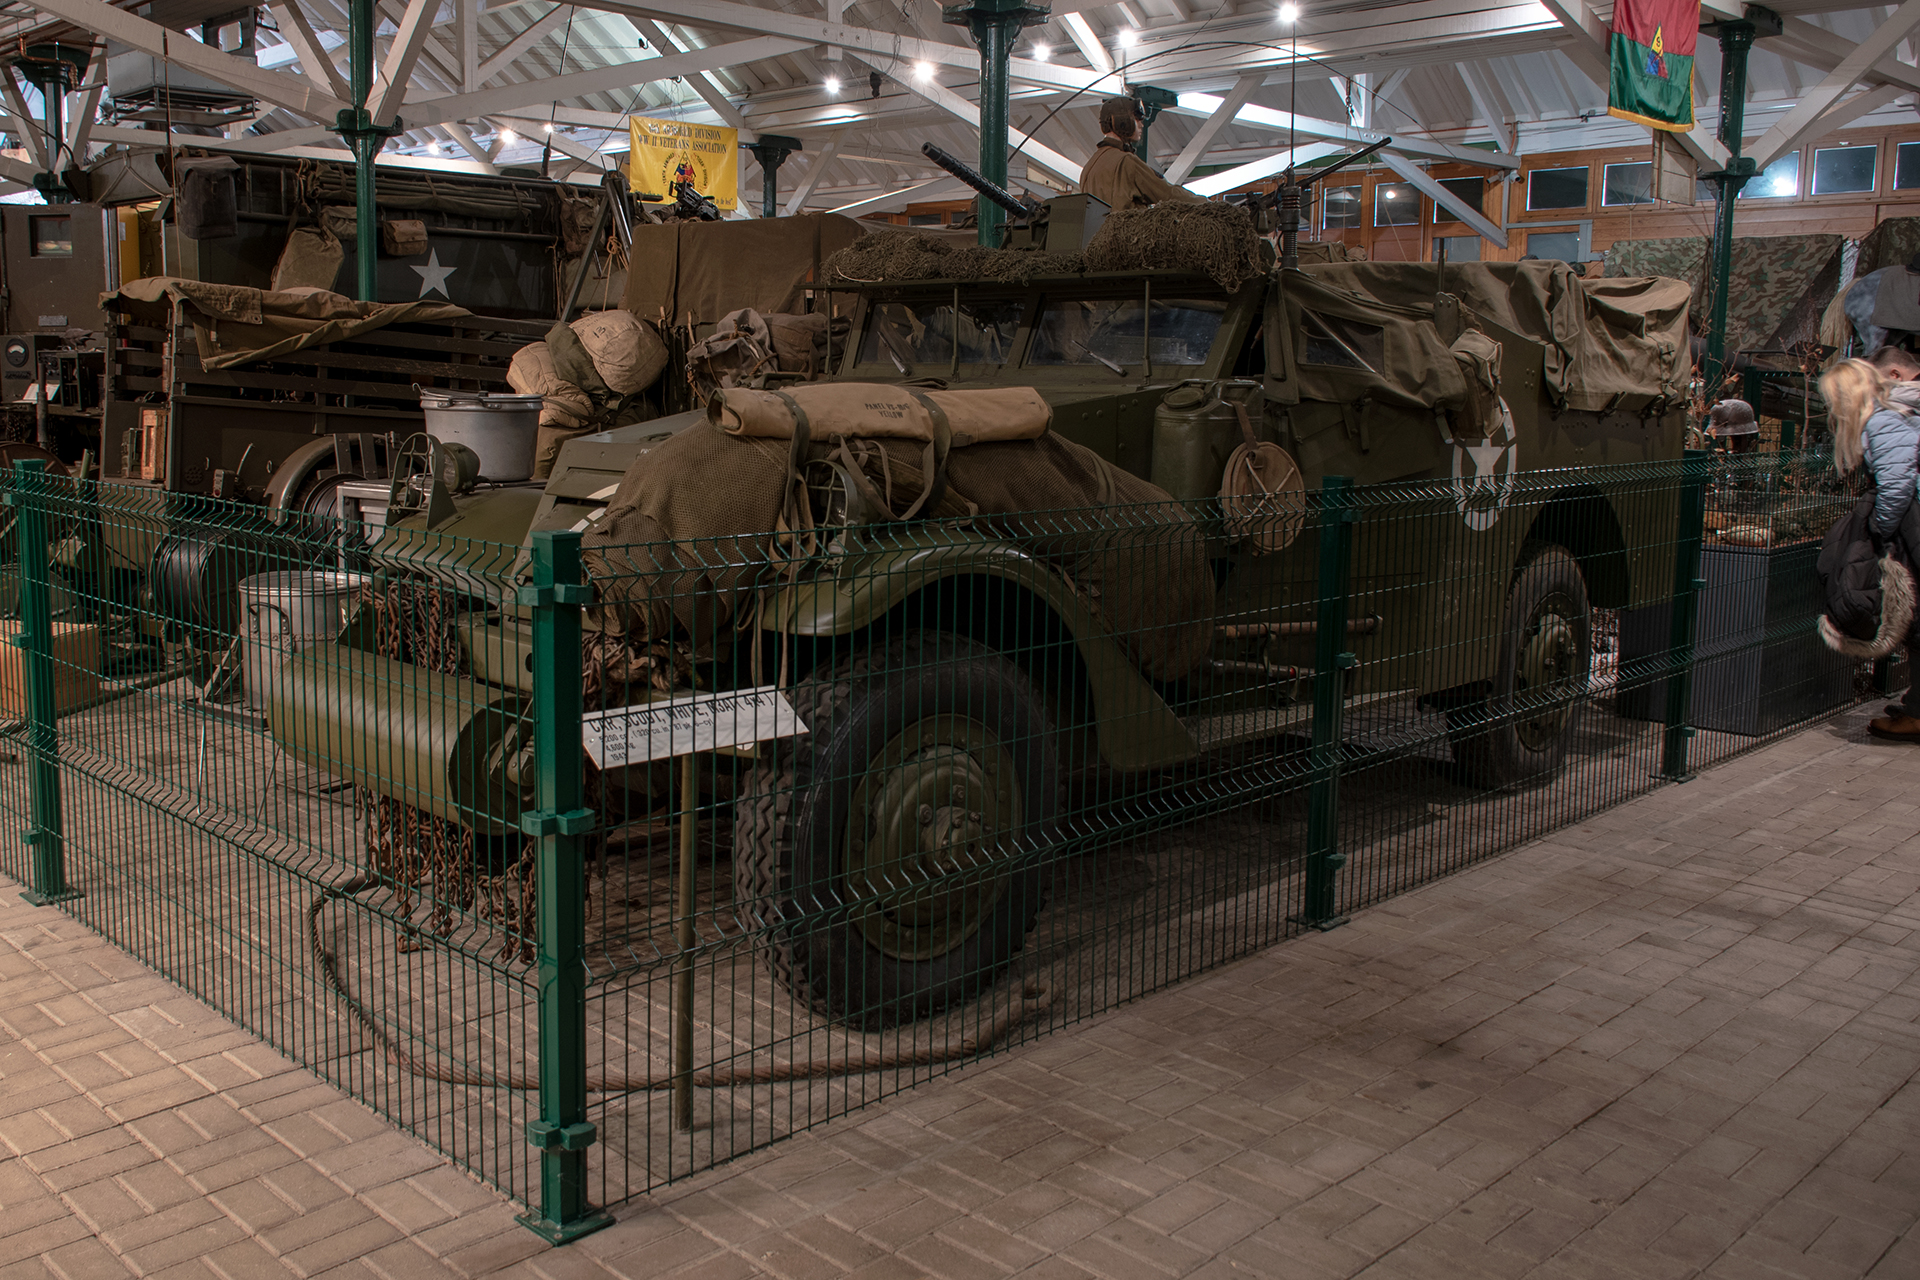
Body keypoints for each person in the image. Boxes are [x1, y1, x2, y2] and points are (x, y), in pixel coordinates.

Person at [1819, 356, 1920, 739]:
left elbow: (1897, 484)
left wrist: (1880, 528)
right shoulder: (1899, 413)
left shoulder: (1881, 421)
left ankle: (1917, 714)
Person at [1078, 97, 1203, 211]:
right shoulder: (1126, 161)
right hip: (1128, 235)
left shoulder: (1089, 167)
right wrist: (1207, 204)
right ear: (1123, 121)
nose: (1141, 124)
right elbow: (1167, 193)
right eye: (1137, 119)